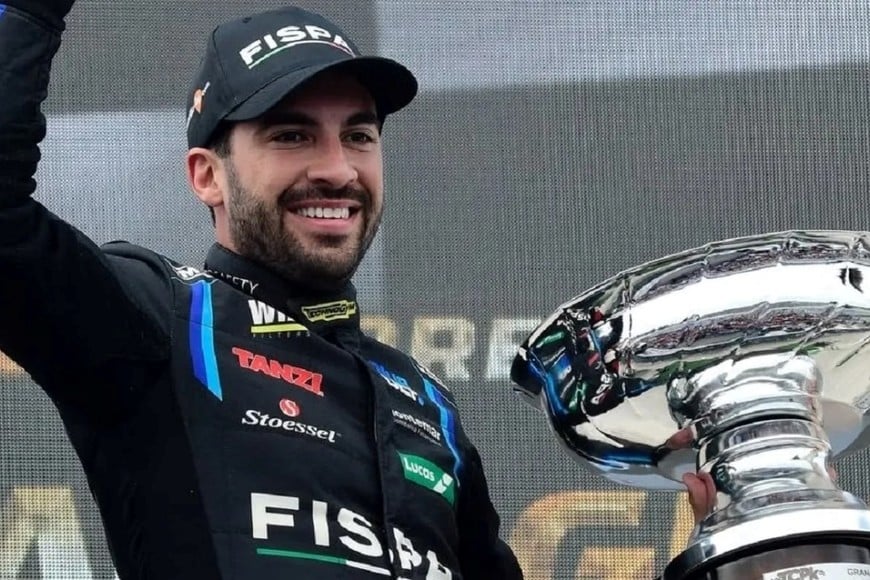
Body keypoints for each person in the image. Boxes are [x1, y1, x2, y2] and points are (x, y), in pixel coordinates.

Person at [0, 1, 524, 578]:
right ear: (208, 175)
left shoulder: (426, 403)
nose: (339, 169)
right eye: (292, 135)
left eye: (358, 135)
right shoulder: (163, 319)